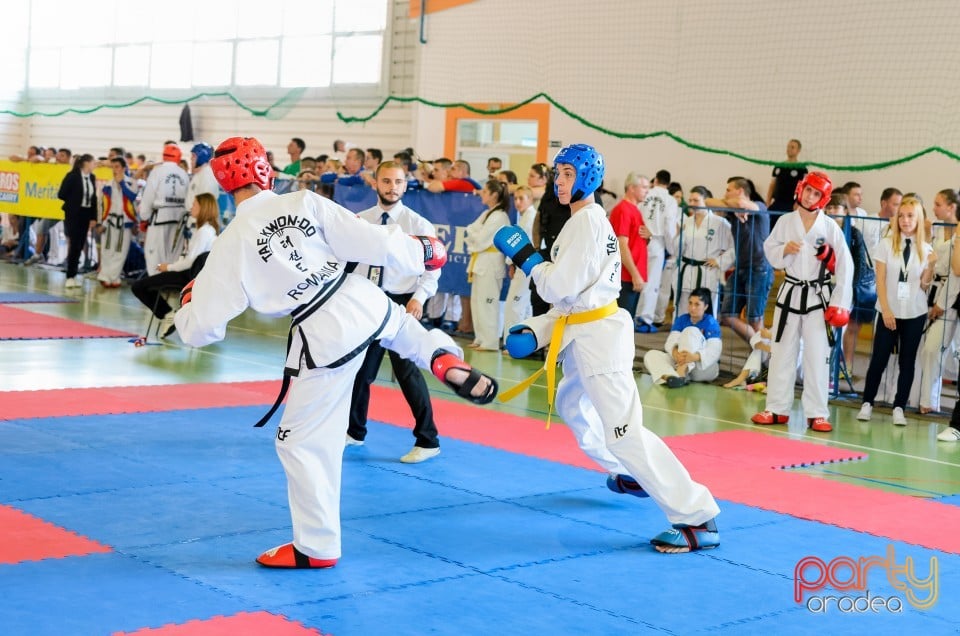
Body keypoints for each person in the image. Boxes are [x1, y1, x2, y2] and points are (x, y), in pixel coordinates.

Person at [175, 137, 498, 569]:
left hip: (322, 331)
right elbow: (371, 240)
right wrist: (421, 251)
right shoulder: (305, 200)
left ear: (223, 183)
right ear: (264, 170)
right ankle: (443, 358)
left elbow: (202, 330)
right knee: (405, 330)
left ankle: (316, 546)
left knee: (300, 444)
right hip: (362, 295)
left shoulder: (231, 243)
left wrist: (188, 305)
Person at [494, 143, 720, 553]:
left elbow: (559, 287)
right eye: (557, 174)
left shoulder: (587, 224)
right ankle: (626, 472)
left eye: (566, 175)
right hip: (585, 331)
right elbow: (576, 298)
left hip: (598, 341)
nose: (559, 182)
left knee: (624, 432)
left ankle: (696, 517)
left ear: (587, 179)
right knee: (571, 406)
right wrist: (537, 328)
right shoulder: (581, 221)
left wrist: (525, 256)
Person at [347, 162, 444, 463]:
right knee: (361, 372)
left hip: (404, 304)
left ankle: (428, 440)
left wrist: (419, 298)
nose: (392, 187)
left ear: (406, 185)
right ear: (375, 183)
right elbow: (349, 263)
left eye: (398, 182)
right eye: (386, 181)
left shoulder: (418, 225)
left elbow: (433, 269)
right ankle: (354, 432)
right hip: (370, 301)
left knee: (407, 373)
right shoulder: (360, 221)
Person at [751, 172, 852, 432]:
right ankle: (776, 408)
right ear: (800, 189)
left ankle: (817, 413)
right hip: (791, 293)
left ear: (824, 198)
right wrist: (784, 250)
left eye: (816, 193)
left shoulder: (830, 227)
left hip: (819, 298)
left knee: (817, 356)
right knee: (781, 353)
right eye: (808, 190)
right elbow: (769, 248)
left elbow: (845, 266)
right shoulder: (786, 221)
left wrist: (840, 302)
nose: (810, 196)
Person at [857, 197, 935, 426]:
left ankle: (899, 406)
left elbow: (924, 285)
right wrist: (887, 310)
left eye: (910, 215)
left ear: (919, 218)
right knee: (879, 359)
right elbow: (879, 280)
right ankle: (867, 402)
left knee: (907, 361)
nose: (905, 220)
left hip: (914, 312)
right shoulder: (886, 244)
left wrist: (930, 266)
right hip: (888, 310)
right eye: (901, 215)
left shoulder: (925, 248)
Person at [132, 192, 219, 338]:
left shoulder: (204, 232)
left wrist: (169, 267)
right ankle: (168, 314)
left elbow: (190, 262)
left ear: (203, 208)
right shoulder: (206, 230)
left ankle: (167, 313)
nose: (191, 207)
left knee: (139, 286)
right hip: (190, 274)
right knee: (143, 285)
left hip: (189, 276)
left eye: (195, 204)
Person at [709, 178, 772, 346]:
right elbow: (708, 201)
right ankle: (760, 348)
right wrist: (733, 207)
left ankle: (767, 356)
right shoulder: (732, 210)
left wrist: (736, 205)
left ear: (740, 190)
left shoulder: (760, 206)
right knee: (727, 316)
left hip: (759, 268)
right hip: (741, 268)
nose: (725, 193)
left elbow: (741, 203)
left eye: (729, 189)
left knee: (755, 320)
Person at [917, 189, 960, 414]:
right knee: (931, 349)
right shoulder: (933, 229)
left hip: (953, 295)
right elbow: (925, 257)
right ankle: (928, 401)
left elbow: (956, 273)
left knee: (952, 355)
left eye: (938, 204)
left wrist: (943, 303)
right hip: (932, 290)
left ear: (952, 207)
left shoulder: (958, 231)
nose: (934, 208)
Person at [824, 194, 876, 377]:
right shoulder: (822, 230)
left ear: (845, 211)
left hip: (846, 288)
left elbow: (859, 263)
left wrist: (849, 290)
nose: (831, 211)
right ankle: (824, 368)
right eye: (828, 208)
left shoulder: (853, 234)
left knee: (840, 330)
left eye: (835, 208)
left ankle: (838, 369)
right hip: (825, 286)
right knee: (825, 331)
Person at [643, 288, 722, 387]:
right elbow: (671, 341)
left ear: (706, 306)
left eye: (697, 304)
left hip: (700, 369)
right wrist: (675, 353)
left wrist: (694, 357)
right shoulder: (682, 320)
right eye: (690, 303)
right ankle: (671, 377)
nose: (692, 307)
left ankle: (681, 372)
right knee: (650, 355)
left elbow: (714, 350)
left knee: (691, 330)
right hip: (679, 362)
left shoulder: (711, 323)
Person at [464, 179, 510, 350]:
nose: (481, 194)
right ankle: (480, 338)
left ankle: (490, 342)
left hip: (491, 264)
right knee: (477, 302)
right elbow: (470, 229)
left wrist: (477, 235)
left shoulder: (500, 216)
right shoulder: (487, 214)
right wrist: (477, 235)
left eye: (485, 191)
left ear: (494, 195)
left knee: (488, 303)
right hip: (480, 262)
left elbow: (482, 239)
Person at [674, 186, 733, 316]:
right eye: (690, 200)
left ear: (706, 201)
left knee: (706, 307)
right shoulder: (686, 222)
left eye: (696, 200)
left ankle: (704, 335)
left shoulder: (720, 223)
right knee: (683, 306)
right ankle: (680, 334)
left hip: (707, 272)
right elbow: (676, 250)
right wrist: (678, 235)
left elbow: (734, 247)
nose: (692, 204)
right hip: (687, 271)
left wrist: (719, 261)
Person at [635, 170, 679, 332]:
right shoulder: (670, 200)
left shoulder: (645, 194)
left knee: (636, 278)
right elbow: (669, 227)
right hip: (657, 241)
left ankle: (633, 314)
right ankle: (644, 319)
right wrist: (671, 248)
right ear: (668, 183)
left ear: (656, 180)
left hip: (639, 239)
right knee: (652, 282)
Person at [138, 143, 189, 273]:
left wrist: (144, 216)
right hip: (178, 221)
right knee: (173, 256)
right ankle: (168, 286)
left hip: (159, 220)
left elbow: (148, 197)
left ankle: (155, 285)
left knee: (154, 255)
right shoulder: (184, 174)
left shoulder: (157, 172)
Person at [608, 172, 649, 317]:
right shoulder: (623, 210)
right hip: (625, 277)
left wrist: (648, 236)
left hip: (631, 275)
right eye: (644, 187)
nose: (647, 191)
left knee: (628, 319)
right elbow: (621, 244)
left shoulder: (635, 210)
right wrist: (635, 274)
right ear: (632, 188)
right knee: (621, 321)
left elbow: (634, 240)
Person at [56, 154, 98, 289]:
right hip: (74, 214)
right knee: (74, 244)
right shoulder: (72, 176)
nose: (94, 165)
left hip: (86, 214)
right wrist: (73, 201)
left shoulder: (92, 177)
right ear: (86, 163)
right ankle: (70, 275)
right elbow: (61, 194)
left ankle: (73, 274)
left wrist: (93, 217)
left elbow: (93, 199)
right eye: (92, 163)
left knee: (80, 244)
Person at [97, 157, 140, 288]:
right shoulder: (107, 186)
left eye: (117, 167)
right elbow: (101, 206)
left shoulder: (131, 183)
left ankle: (114, 277)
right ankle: (105, 276)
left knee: (121, 251)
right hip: (109, 222)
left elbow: (132, 197)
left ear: (123, 168)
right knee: (107, 249)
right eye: (113, 167)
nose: (114, 170)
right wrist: (100, 222)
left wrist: (121, 183)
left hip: (125, 222)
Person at [502, 185, 537, 340]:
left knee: (515, 304)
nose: (517, 202)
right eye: (515, 198)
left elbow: (519, 246)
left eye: (521, 198)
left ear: (531, 199)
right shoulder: (524, 217)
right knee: (523, 305)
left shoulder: (530, 217)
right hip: (524, 266)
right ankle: (523, 340)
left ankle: (513, 341)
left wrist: (512, 263)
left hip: (525, 266)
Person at [766, 139, 806, 219]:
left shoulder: (802, 169)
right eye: (788, 146)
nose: (789, 149)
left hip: (792, 205)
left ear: (798, 150)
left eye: (792, 147)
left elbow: (803, 187)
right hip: (777, 203)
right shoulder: (778, 166)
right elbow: (772, 185)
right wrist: (767, 202)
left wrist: (798, 203)